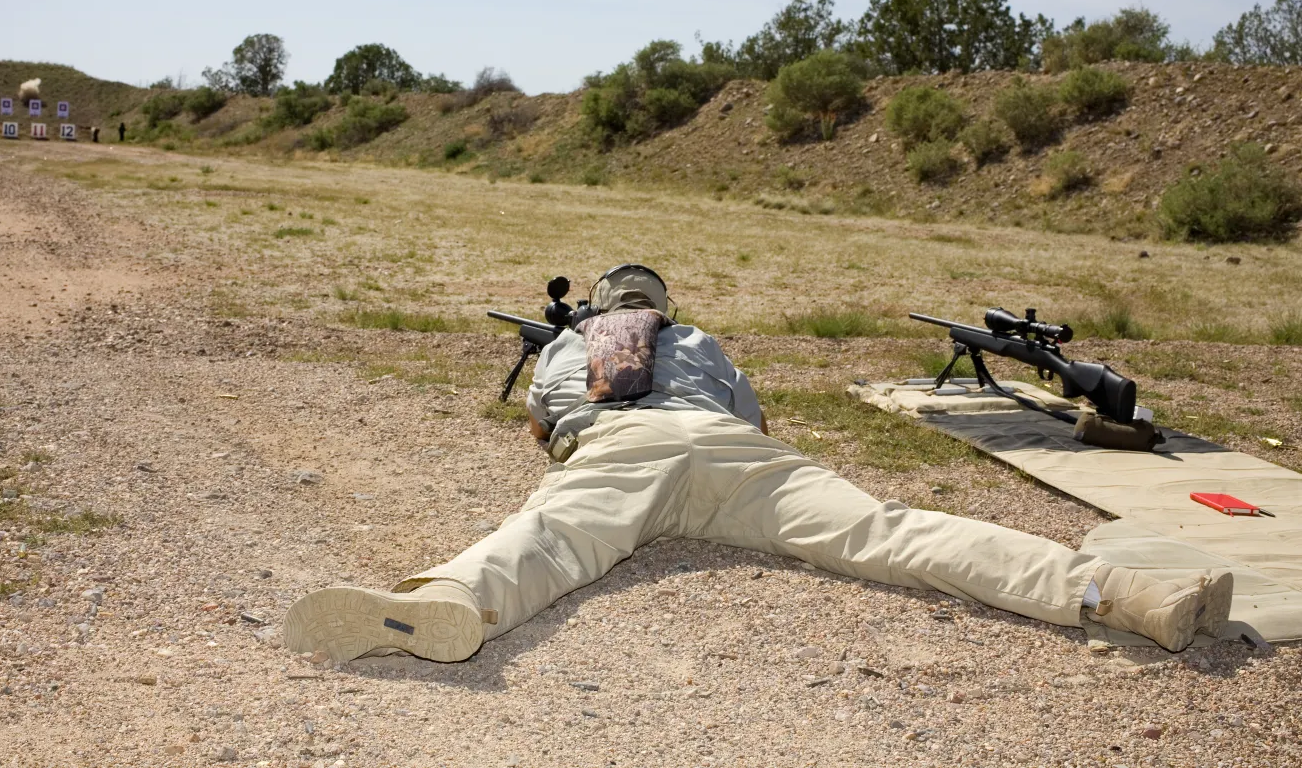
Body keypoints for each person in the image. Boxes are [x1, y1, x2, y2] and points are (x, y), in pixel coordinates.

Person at [285, 265, 1233, 663]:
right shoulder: (699, 341)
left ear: (603, 305)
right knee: (891, 533)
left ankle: (452, 599)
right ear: (663, 305)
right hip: (738, 453)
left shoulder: (572, 344)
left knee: (552, 537)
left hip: (626, 450)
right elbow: (755, 415)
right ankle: (1119, 592)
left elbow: (544, 427)